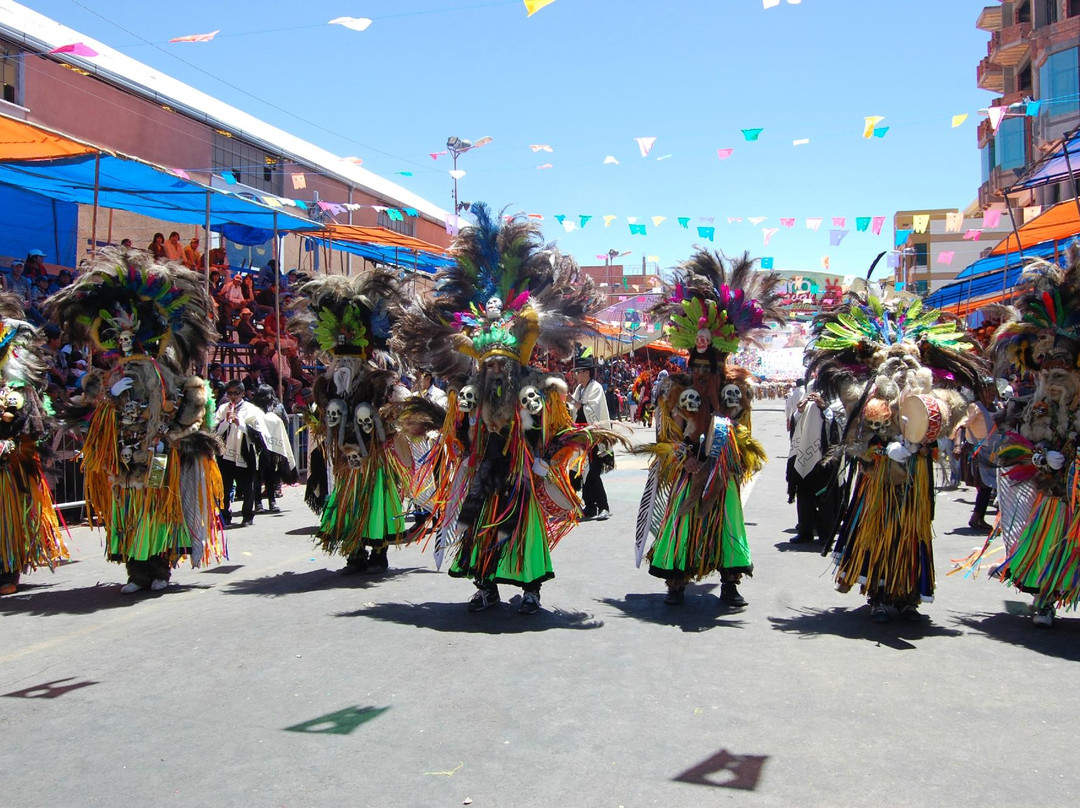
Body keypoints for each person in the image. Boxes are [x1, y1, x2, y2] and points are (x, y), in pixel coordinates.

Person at [391, 204, 619, 614]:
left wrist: (544, 458)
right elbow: (457, 434)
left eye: (502, 364)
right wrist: (456, 447)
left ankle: (530, 589)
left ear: (515, 365)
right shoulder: (471, 396)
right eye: (489, 364)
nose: (496, 370)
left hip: (522, 476)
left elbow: (557, 432)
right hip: (483, 475)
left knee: (523, 531)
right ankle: (485, 587)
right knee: (478, 527)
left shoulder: (537, 392)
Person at [46, 248, 225, 593]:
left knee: (158, 507)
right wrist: (110, 397)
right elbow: (95, 413)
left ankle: (159, 569)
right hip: (122, 456)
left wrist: (168, 433)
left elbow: (188, 405)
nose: (127, 344)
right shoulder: (112, 374)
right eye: (121, 338)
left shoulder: (164, 374)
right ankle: (135, 571)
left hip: (157, 454)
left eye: (132, 337)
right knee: (126, 510)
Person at [808, 291, 983, 623]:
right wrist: (875, 449)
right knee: (878, 531)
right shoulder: (867, 394)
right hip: (879, 478)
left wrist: (923, 441)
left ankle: (908, 594)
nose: (902, 365)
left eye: (908, 359)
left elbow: (948, 413)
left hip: (916, 476)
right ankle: (878, 592)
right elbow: (855, 434)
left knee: (912, 532)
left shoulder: (928, 393)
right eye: (893, 359)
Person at [636, 250, 782, 609]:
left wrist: (729, 450)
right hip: (688, 469)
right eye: (697, 366)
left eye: (709, 368)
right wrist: (680, 456)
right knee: (681, 520)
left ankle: (730, 583)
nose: (702, 374)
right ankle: (676, 580)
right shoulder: (677, 391)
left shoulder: (735, 394)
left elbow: (746, 434)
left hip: (723, 469)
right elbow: (666, 437)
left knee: (729, 523)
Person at [0, 297, 67, 595]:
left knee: (5, 518)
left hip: (8, 465)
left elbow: (29, 422)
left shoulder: (16, 388)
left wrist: (10, 439)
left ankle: (6, 571)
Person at [214, 380, 269, 529]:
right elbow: (215, 430)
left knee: (247, 485)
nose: (233, 397)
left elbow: (259, 434)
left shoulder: (251, 410)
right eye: (230, 393)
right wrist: (226, 421)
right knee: (224, 485)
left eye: (236, 393)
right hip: (225, 454)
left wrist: (241, 423)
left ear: (242, 394)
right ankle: (225, 514)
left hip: (244, 451)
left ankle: (247, 514)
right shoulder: (223, 408)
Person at [571, 355, 612, 521]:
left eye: (578, 372)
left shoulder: (596, 388)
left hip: (594, 437)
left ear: (587, 373)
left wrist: (572, 402)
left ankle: (604, 507)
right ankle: (590, 506)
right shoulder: (580, 389)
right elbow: (575, 410)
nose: (576, 375)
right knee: (584, 472)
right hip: (582, 438)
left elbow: (590, 410)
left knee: (593, 472)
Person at [250, 384, 296, 513]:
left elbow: (285, 421)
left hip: (273, 446)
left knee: (270, 474)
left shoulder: (277, 407)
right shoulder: (252, 410)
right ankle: (260, 503)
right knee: (259, 475)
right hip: (258, 446)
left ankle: (270, 501)